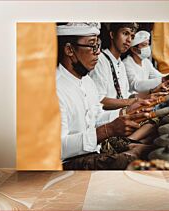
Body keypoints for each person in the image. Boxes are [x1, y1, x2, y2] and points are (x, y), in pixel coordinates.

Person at [56, 22, 153, 170]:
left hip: (95, 149)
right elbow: (57, 148)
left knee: (150, 147)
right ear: (69, 49)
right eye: (92, 46)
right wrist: (107, 130)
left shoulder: (87, 81)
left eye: (98, 45)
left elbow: (96, 117)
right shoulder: (54, 88)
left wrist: (126, 111)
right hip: (68, 163)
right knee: (134, 160)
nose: (98, 52)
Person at [89, 23, 143, 110]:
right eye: (125, 33)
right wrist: (131, 102)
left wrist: (147, 96)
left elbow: (124, 96)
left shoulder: (120, 64)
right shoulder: (99, 60)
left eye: (132, 37)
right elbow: (98, 100)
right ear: (112, 34)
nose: (129, 40)